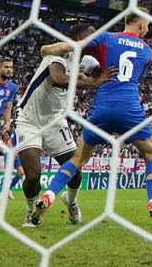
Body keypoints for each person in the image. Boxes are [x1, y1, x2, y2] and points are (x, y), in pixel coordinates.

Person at [32, 13, 152, 226]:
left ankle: (49, 195)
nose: (148, 30)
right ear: (141, 24)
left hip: (102, 106)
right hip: (129, 107)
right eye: (148, 25)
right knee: (151, 155)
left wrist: (45, 50)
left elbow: (67, 48)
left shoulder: (106, 37)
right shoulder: (148, 51)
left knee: (78, 159)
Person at [16, 23, 112, 227]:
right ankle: (31, 212)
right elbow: (58, 79)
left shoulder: (86, 60)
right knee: (33, 175)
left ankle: (71, 200)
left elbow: (100, 72)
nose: (94, 38)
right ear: (78, 38)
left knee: (75, 171)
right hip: (29, 120)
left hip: (55, 121)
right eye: (90, 35)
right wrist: (91, 83)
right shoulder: (58, 54)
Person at [0, 57, 21, 200]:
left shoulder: (12, 87)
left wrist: (7, 123)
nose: (9, 70)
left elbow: (8, 107)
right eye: (6, 67)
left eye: (11, 67)